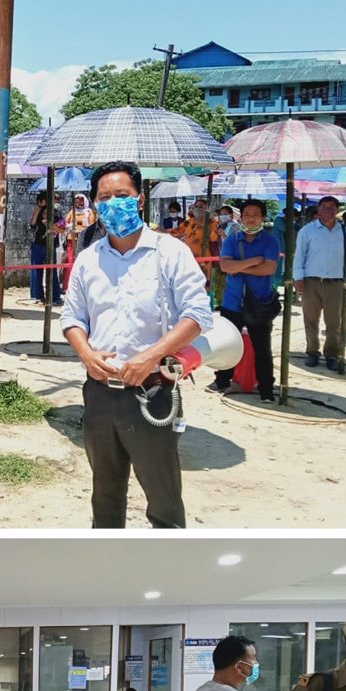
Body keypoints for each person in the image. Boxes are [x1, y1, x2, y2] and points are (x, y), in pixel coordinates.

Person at [61, 161, 214, 529]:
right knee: (105, 495)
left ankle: (164, 573)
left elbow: (197, 315)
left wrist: (150, 357)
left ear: (139, 200)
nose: (113, 204)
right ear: (94, 205)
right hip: (99, 394)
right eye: (104, 198)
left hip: (152, 393)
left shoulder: (169, 252)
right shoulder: (88, 259)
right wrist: (86, 353)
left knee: (163, 498)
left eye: (122, 196)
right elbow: (73, 318)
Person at [210, 199, 281, 402]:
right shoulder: (232, 240)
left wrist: (238, 266)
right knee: (226, 344)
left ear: (263, 217)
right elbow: (225, 267)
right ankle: (222, 380)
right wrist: (253, 261)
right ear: (241, 216)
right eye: (247, 214)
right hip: (232, 302)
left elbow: (269, 269)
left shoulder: (270, 241)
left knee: (262, 348)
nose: (251, 218)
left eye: (256, 214)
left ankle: (266, 388)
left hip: (259, 302)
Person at [294, 196, 346, 371]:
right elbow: (299, 256)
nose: (328, 210)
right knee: (310, 319)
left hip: (335, 283)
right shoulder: (307, 231)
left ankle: (332, 354)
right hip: (311, 281)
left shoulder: (344, 232)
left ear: (337, 210)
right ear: (318, 210)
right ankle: (312, 351)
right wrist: (298, 277)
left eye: (332, 207)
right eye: (324, 206)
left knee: (334, 322)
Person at [28, 192, 61, 304]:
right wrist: (36, 211)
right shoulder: (38, 212)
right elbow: (32, 226)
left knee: (52, 271)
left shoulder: (57, 213)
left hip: (50, 245)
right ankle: (37, 296)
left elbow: (61, 229)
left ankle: (55, 297)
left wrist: (49, 223)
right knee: (36, 271)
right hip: (38, 244)